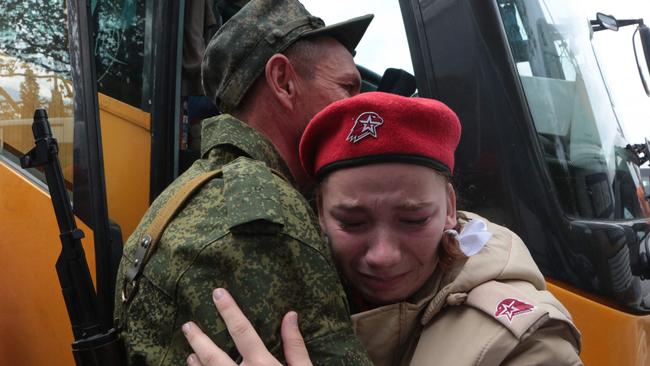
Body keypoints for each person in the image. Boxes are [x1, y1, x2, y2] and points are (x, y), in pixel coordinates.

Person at [182, 92, 583, 365]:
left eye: (413, 220)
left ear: (450, 209)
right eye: (352, 222)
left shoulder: (523, 341)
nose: (383, 255)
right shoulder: (280, 287)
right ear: (318, 211)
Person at [113, 0, 375, 364]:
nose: (362, 109)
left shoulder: (195, 186)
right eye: (348, 88)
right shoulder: (266, 218)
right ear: (283, 82)